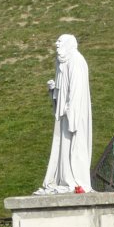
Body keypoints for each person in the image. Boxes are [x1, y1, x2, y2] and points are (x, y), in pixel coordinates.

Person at [37, 34, 93, 195]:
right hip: (63, 114)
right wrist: (54, 90)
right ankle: (63, 178)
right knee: (61, 146)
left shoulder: (76, 60)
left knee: (74, 146)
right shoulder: (61, 62)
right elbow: (62, 90)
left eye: (60, 41)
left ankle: (75, 180)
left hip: (73, 112)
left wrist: (71, 109)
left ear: (68, 44)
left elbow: (77, 88)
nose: (56, 43)